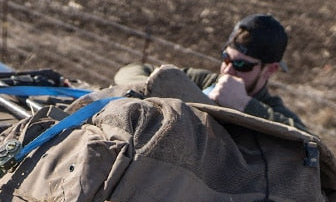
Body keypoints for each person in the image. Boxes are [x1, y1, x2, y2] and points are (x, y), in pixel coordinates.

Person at [114, 13, 307, 130]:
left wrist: (245, 106)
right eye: (226, 58)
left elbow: (311, 143)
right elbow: (128, 72)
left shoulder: (271, 108)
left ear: (270, 70)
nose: (228, 70)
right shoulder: (206, 82)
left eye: (242, 66)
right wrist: (155, 85)